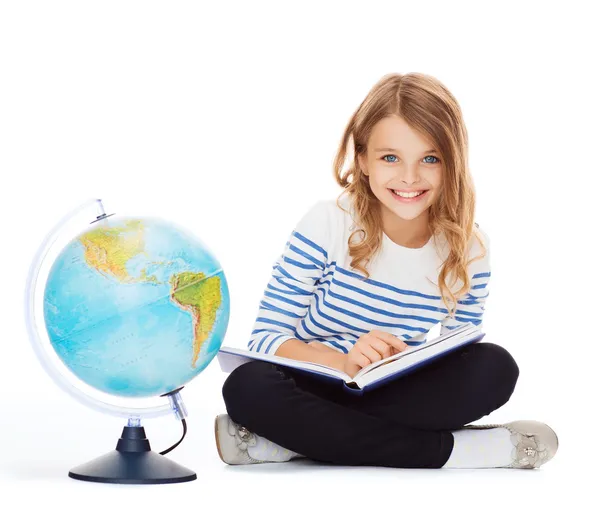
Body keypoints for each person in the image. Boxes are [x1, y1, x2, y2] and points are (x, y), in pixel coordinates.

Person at [214, 72, 559, 469]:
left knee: (494, 367)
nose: (409, 177)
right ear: (362, 160)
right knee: (247, 386)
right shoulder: (328, 223)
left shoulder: (470, 249)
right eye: (390, 157)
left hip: (395, 394)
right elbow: (265, 339)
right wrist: (344, 363)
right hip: (316, 385)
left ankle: (290, 443)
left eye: (430, 159)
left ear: (453, 164)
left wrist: (399, 363)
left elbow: (456, 357)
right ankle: (452, 453)